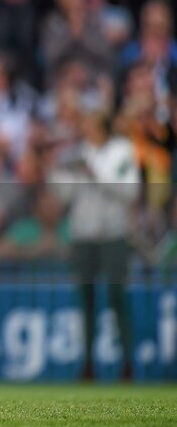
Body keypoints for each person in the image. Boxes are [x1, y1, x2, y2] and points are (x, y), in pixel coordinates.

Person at [50, 98, 140, 381]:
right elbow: (63, 196)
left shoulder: (122, 151)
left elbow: (130, 192)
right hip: (84, 234)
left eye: (90, 124)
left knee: (116, 296)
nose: (85, 129)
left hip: (113, 233)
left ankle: (127, 361)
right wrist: (58, 173)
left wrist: (96, 175)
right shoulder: (78, 154)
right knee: (85, 299)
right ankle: (87, 362)